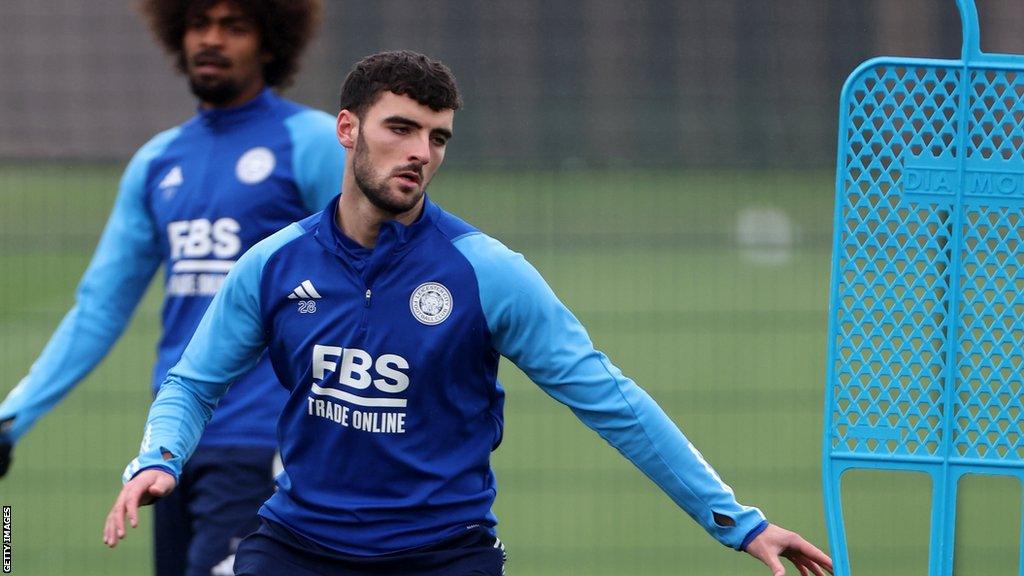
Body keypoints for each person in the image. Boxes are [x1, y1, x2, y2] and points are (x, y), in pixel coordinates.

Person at [104, 50, 832, 576]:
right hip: (298, 545)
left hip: (442, 555)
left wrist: (739, 523)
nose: (421, 152)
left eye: (438, 136)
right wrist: (160, 456)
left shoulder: (487, 274)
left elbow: (612, 400)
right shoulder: (275, 264)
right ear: (347, 129)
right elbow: (193, 383)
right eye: (401, 129)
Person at [0, 1, 343, 575]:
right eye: (198, 25)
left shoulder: (310, 143)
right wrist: (13, 415)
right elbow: (99, 308)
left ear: (270, 42)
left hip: (270, 441)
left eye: (234, 26)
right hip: (172, 447)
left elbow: (367, 281)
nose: (211, 40)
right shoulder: (157, 162)